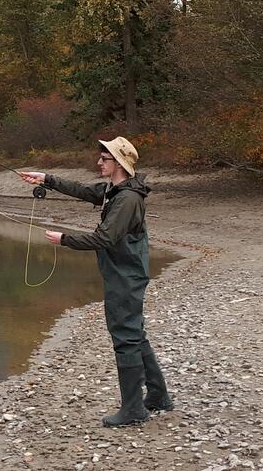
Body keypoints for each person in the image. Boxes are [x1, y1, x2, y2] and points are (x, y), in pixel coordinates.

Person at [17, 137, 172, 427]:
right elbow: (82, 190)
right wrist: (45, 178)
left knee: (125, 337)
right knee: (135, 333)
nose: (99, 163)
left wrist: (64, 239)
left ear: (120, 164)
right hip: (124, 271)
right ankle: (158, 397)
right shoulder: (116, 191)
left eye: (105, 158)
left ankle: (134, 410)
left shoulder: (127, 199)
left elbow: (105, 238)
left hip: (126, 276)